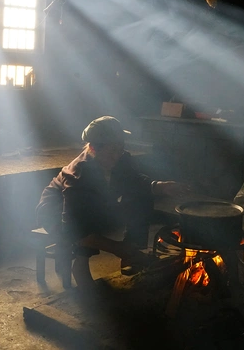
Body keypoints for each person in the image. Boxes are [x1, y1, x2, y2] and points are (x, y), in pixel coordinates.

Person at [35, 116, 191, 288]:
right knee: (86, 220)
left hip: (90, 206)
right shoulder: (78, 176)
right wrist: (118, 248)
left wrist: (159, 186)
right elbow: (74, 228)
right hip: (55, 213)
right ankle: (81, 266)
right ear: (93, 148)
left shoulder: (121, 158)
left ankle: (133, 250)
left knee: (141, 195)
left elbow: (134, 180)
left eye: (120, 148)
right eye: (112, 151)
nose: (117, 155)